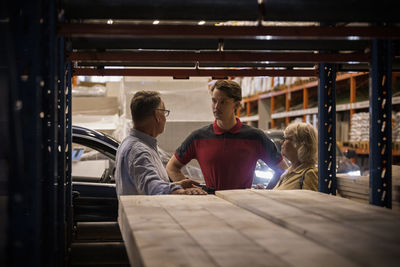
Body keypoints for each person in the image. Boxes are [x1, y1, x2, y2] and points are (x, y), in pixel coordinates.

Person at [166, 80, 288, 191]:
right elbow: (172, 167)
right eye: (214, 101)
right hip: (210, 205)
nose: (217, 107)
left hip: (245, 206)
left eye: (223, 102)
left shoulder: (255, 137)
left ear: (237, 105)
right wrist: (189, 189)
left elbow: (283, 170)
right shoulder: (198, 137)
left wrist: (269, 191)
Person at [115, 90, 206, 196]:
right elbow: (152, 187)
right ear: (157, 115)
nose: (165, 118)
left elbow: (142, 184)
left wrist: (177, 185)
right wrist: (182, 192)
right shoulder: (139, 150)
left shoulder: (130, 143)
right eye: (164, 112)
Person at [273, 122, 318, 191]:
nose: (281, 142)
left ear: (300, 144)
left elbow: (312, 201)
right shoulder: (289, 171)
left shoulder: (309, 175)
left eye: (286, 138)